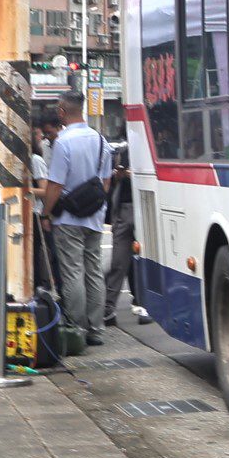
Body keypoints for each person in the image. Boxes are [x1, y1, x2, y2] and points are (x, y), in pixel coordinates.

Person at [40, 97, 109, 356]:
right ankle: (96, 330)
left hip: (68, 218)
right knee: (94, 271)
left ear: (61, 111)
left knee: (72, 272)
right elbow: (105, 183)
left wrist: (46, 214)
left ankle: (76, 329)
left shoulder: (63, 143)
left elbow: (55, 185)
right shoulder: (101, 140)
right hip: (94, 217)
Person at [102, 138, 139, 327]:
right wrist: (121, 175)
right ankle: (108, 308)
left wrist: (131, 175)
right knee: (120, 261)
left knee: (131, 262)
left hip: (136, 209)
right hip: (125, 209)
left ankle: (139, 303)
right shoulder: (124, 150)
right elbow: (114, 177)